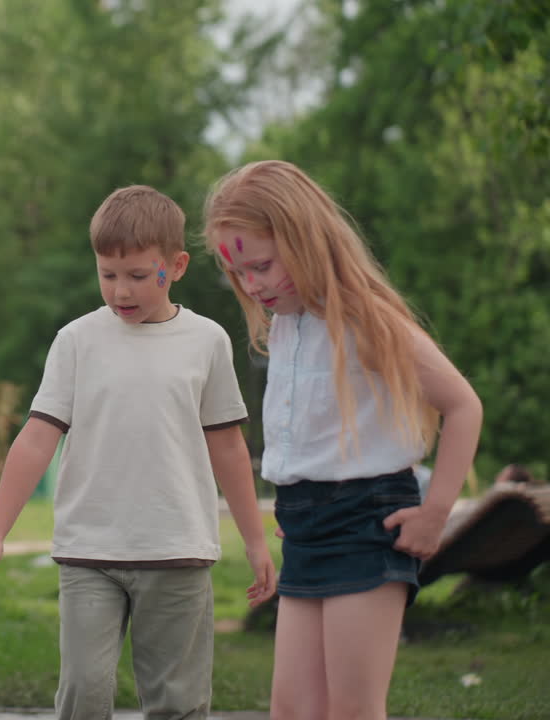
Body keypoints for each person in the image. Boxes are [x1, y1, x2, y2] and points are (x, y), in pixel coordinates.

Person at [0, 185, 276, 720]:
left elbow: (227, 445)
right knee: (84, 694)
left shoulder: (207, 342)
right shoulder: (76, 341)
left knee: (178, 703)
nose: (120, 291)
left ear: (175, 266)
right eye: (107, 274)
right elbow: (38, 437)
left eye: (137, 275)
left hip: (178, 550)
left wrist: (254, 542)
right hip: (91, 552)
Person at [203, 160, 483, 720]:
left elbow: (463, 405)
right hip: (307, 529)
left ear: (306, 242)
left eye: (261, 267)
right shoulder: (284, 328)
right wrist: (301, 490)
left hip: (368, 524)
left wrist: (436, 513)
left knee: (353, 709)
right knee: (293, 710)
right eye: (241, 275)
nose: (253, 285)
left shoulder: (368, 321)